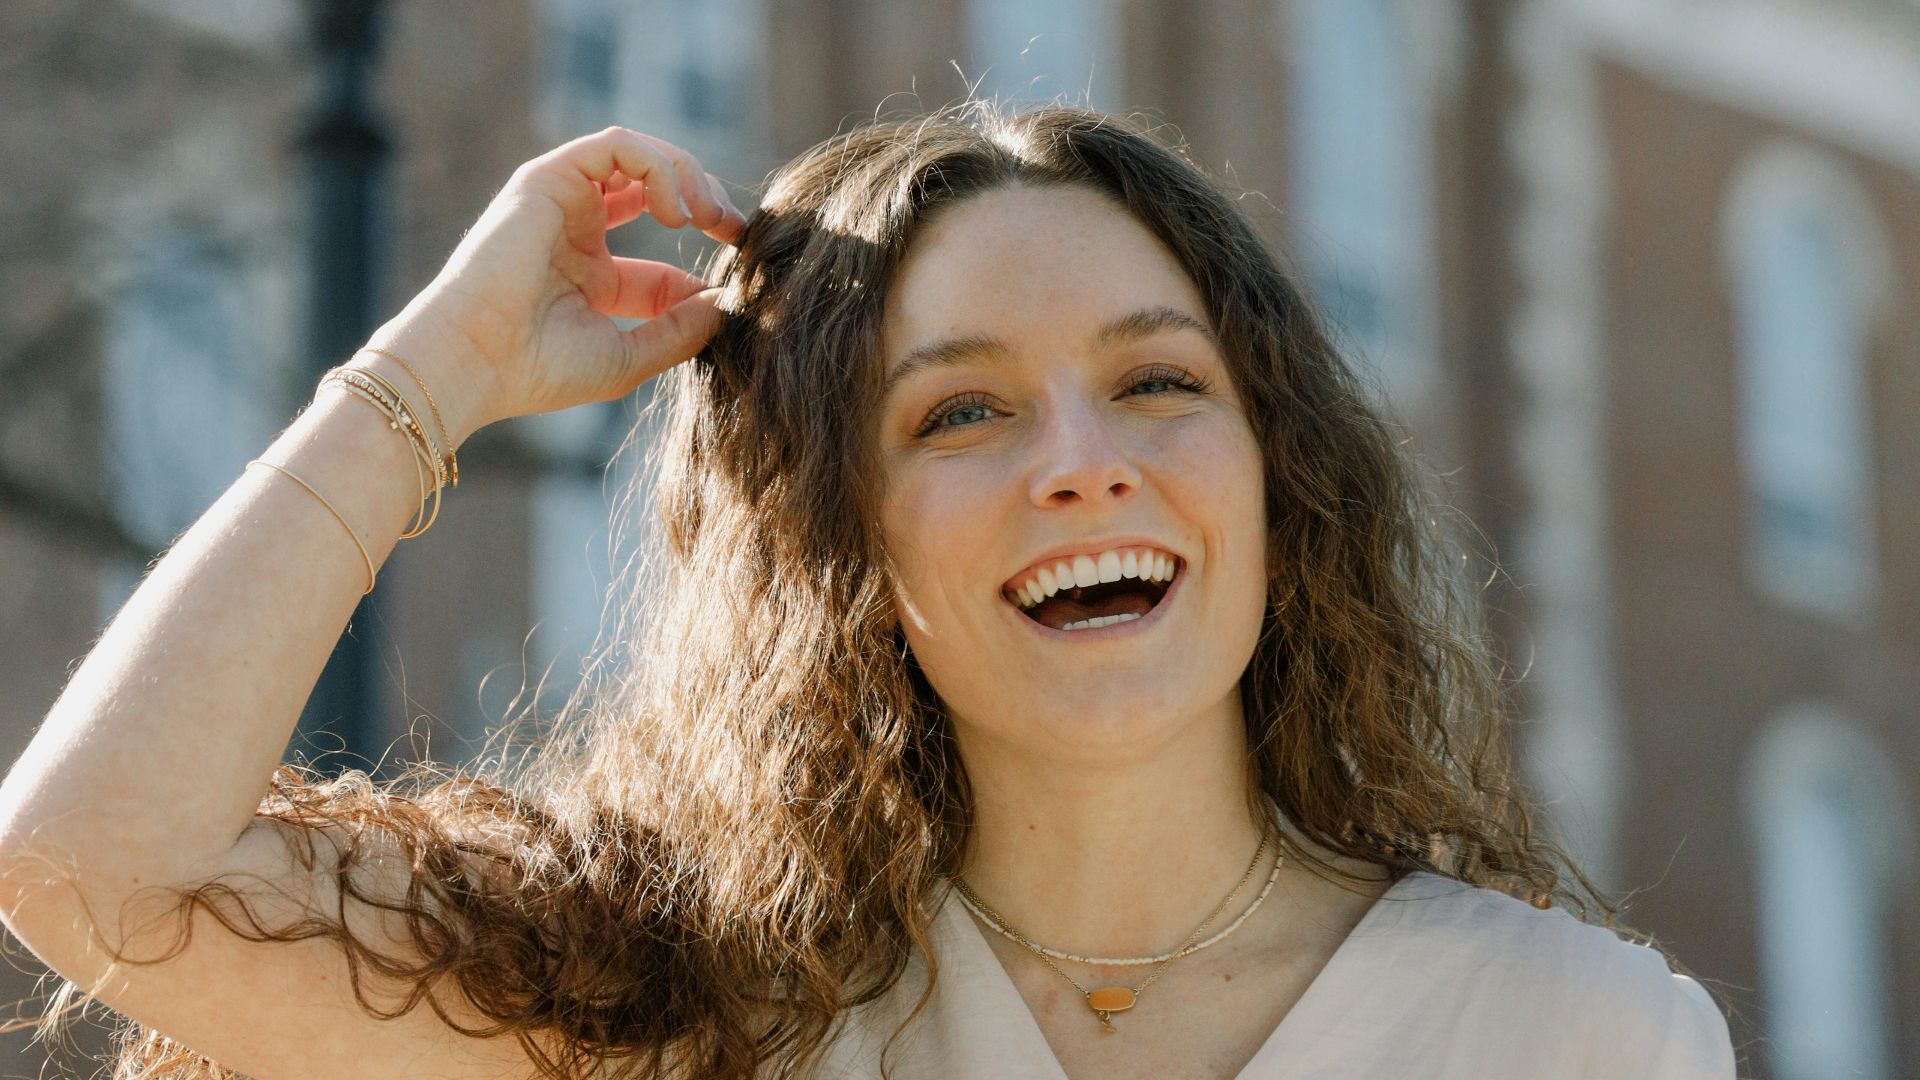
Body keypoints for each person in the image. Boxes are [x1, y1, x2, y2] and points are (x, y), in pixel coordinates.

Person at [0, 101, 1735, 1079]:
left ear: (1279, 476)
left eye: (1157, 383)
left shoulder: (1589, 1038)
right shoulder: (664, 1009)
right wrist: (435, 371)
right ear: (837, 539)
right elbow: (92, 868)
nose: (1080, 460)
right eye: (960, 410)